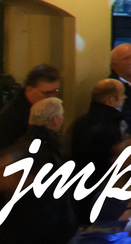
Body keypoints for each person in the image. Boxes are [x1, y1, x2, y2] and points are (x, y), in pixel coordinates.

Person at [2, 96, 75, 244]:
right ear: (56, 120)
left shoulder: (21, 147)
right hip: (40, 233)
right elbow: (50, 202)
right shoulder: (48, 152)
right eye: (61, 116)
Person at [69, 78, 127, 176]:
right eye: (122, 94)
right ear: (111, 100)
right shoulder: (110, 127)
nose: (124, 97)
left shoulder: (80, 121)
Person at [0, 62, 62, 149]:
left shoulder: (46, 109)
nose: (52, 98)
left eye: (55, 92)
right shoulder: (12, 118)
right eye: (46, 93)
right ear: (29, 90)